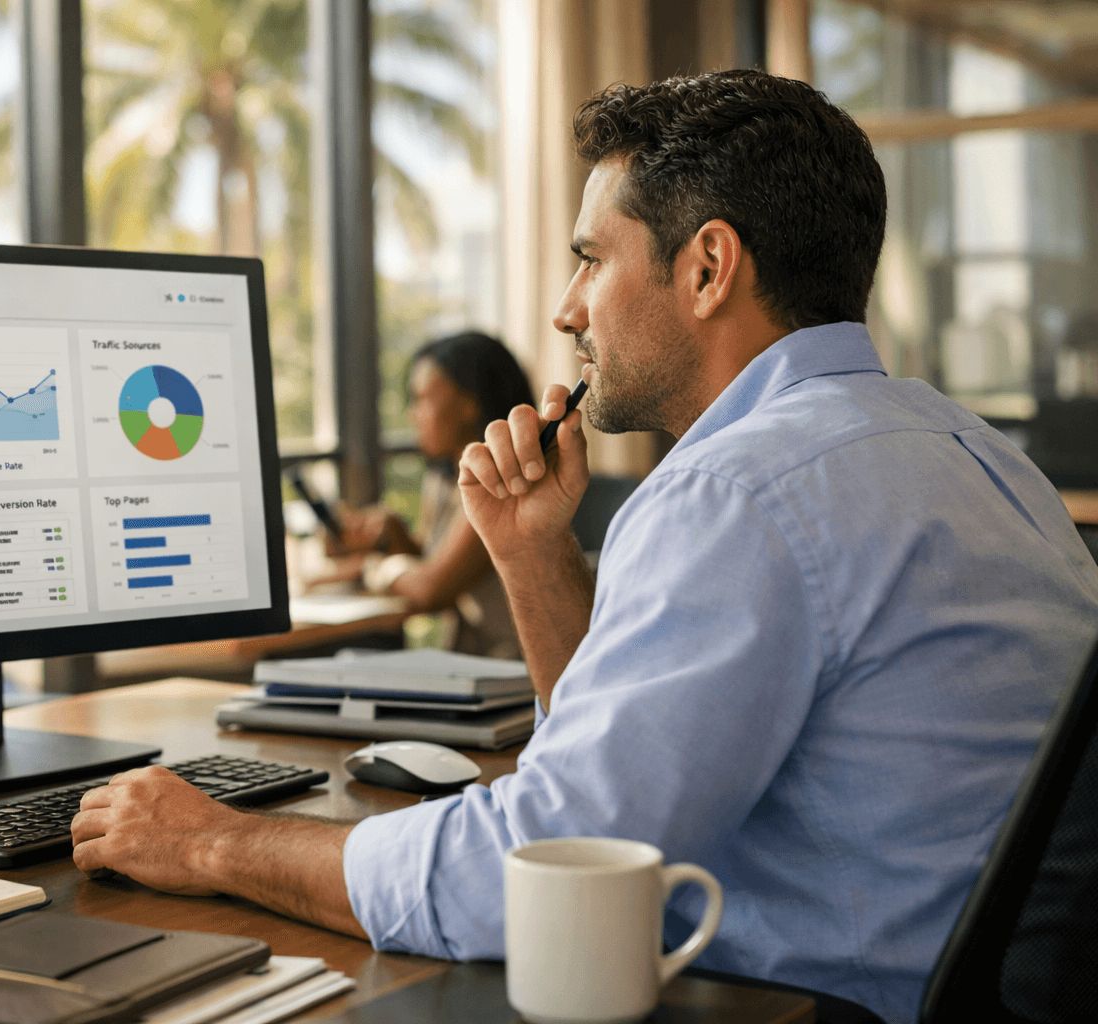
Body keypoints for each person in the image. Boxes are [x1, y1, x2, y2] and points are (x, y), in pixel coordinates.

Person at [68, 70, 1098, 1024]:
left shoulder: (736, 489)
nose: (565, 311)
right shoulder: (976, 454)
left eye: (590, 260)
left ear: (707, 268)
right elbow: (627, 763)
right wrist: (533, 555)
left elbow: (537, 868)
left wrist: (213, 838)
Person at [318, 331, 533, 658]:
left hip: (516, 670)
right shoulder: (446, 479)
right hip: (480, 661)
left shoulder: (502, 481)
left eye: (422, 398)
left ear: (469, 403)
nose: (412, 414)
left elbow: (433, 590)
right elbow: (438, 564)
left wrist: (374, 568)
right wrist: (393, 536)